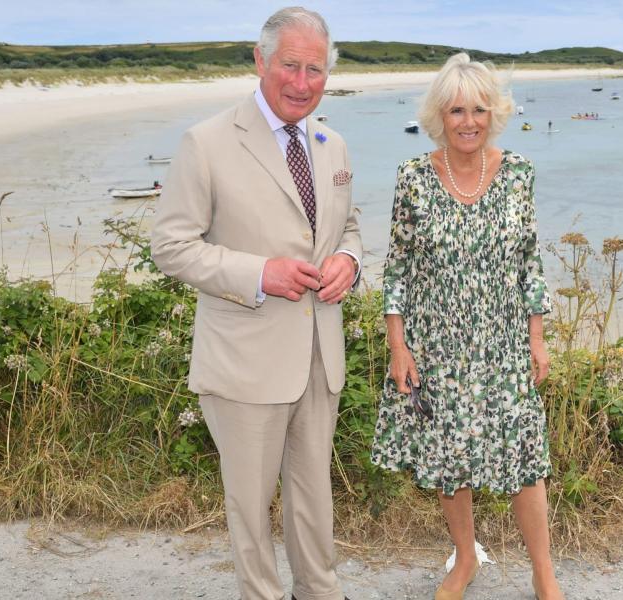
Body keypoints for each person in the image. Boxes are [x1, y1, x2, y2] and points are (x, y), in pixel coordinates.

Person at [151, 7, 360, 600]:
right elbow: (170, 246)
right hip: (244, 361)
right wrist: (258, 273)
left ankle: (320, 592)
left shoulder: (333, 142)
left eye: (315, 69)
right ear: (260, 60)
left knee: (314, 496)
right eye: (289, 66)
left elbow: (349, 229)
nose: (302, 82)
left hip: (321, 356)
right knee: (250, 506)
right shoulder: (207, 142)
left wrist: (351, 262)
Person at [371, 53, 564, 600]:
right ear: (439, 115)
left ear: (494, 112)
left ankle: (543, 572)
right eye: (456, 110)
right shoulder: (412, 178)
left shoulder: (518, 173)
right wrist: (398, 345)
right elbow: (399, 266)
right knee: (450, 459)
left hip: (504, 347)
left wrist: (537, 339)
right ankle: (464, 560)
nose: (468, 121)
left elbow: (530, 262)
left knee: (526, 459)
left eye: (479, 109)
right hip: (438, 349)